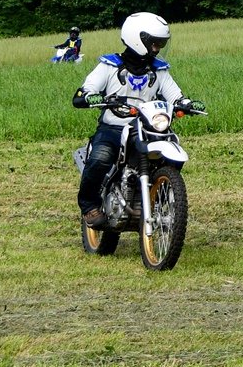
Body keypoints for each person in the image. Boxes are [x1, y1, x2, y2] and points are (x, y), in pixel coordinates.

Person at [71, 12, 197, 230]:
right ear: (137, 39)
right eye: (154, 43)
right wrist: (91, 96)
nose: (157, 48)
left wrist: (186, 103)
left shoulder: (159, 70)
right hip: (113, 128)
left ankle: (158, 197)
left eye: (161, 43)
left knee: (172, 157)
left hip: (147, 128)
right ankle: (89, 205)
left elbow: (174, 94)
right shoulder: (109, 65)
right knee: (101, 158)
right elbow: (87, 89)